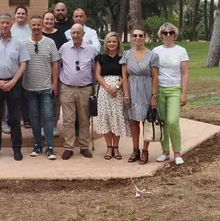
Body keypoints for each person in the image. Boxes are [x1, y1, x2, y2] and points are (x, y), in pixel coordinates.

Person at [0, 13, 30, 161]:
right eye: (2, 23)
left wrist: (13, 81)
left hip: (13, 84)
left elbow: (23, 64)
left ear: (11, 24)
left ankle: (17, 149)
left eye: (7, 23)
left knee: (15, 118)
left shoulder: (19, 43)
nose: (4, 25)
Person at [57, 23, 97, 160]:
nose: (75, 35)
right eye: (73, 33)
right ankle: (68, 147)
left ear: (83, 34)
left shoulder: (91, 49)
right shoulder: (64, 48)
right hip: (67, 88)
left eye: (78, 33)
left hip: (85, 89)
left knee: (84, 119)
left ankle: (84, 146)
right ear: (70, 34)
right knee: (68, 120)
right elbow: (58, 65)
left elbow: (94, 69)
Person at [23, 15, 60, 160]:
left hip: (46, 88)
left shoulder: (50, 42)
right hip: (30, 88)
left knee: (48, 117)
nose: (36, 27)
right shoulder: (23, 43)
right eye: (34, 25)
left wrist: (55, 83)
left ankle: (50, 147)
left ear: (42, 26)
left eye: (39, 25)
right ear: (30, 26)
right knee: (34, 118)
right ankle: (37, 145)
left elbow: (55, 63)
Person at [153, 23, 190, 166]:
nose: (168, 35)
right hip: (160, 89)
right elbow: (153, 73)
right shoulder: (156, 51)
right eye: (165, 33)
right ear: (161, 35)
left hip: (174, 89)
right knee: (163, 122)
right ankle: (165, 152)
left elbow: (185, 73)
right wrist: (153, 93)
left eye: (171, 33)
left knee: (173, 121)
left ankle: (178, 153)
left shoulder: (181, 51)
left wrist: (184, 93)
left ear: (175, 34)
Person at [121, 28, 160, 165]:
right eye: (135, 35)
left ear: (145, 37)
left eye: (140, 35)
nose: (138, 38)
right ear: (132, 37)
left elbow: (155, 77)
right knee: (133, 122)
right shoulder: (126, 54)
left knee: (146, 121)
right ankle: (135, 149)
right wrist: (126, 94)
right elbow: (124, 76)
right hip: (132, 89)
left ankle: (145, 150)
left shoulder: (152, 56)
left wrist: (154, 95)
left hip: (146, 90)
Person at [94, 32, 131, 160]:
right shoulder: (101, 57)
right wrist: (107, 86)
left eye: (114, 41)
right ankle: (108, 147)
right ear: (106, 43)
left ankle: (116, 147)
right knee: (105, 117)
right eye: (109, 42)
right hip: (104, 91)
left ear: (118, 43)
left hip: (118, 91)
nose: (111, 44)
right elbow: (97, 75)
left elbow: (125, 75)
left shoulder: (122, 57)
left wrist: (116, 86)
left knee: (116, 117)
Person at [9, 5, 31, 129]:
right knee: (13, 94)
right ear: (15, 15)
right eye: (18, 13)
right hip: (13, 67)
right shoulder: (10, 29)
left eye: (23, 13)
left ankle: (26, 118)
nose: (20, 15)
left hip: (27, 65)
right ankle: (11, 119)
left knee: (26, 93)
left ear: (26, 16)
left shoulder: (30, 29)